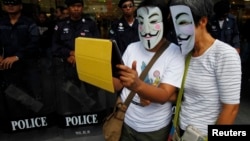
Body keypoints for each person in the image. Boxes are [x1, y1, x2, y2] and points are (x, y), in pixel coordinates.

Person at [112, 0, 185, 140]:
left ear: (165, 21)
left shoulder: (175, 53)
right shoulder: (132, 48)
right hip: (126, 121)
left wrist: (137, 85)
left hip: (154, 128)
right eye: (141, 22)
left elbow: (164, 95)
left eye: (153, 21)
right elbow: (117, 84)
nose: (146, 28)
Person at [170, 0, 242, 137]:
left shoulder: (224, 54)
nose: (177, 30)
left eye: (183, 23)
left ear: (203, 21)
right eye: (175, 23)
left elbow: (231, 109)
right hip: (180, 132)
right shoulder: (186, 53)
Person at [51, 0, 104, 115]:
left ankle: (96, 118)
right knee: (73, 93)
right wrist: (68, 54)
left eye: (78, 6)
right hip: (69, 66)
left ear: (82, 7)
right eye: (73, 6)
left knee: (92, 93)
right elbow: (55, 47)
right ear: (68, 8)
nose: (76, 9)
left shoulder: (90, 24)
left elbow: (97, 45)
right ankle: (77, 118)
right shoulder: (60, 25)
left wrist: (79, 55)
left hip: (88, 66)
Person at [0, 0, 42, 116]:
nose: (10, 6)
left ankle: (35, 120)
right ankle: (18, 119)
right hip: (8, 65)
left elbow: (35, 42)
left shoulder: (29, 23)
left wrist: (18, 56)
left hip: (28, 63)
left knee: (32, 92)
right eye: (7, 3)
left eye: (14, 4)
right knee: (13, 92)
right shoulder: (2, 23)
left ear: (20, 6)